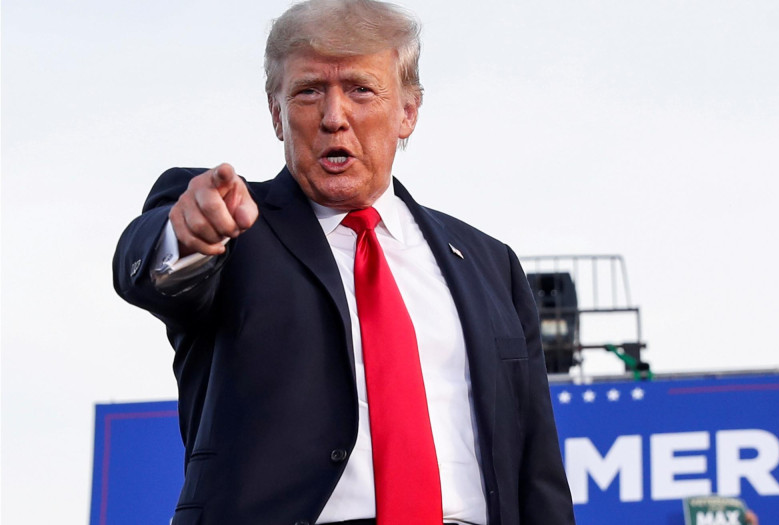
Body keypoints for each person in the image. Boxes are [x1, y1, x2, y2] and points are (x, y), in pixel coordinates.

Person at [112, 1, 575, 524]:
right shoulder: (236, 226)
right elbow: (154, 267)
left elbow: (537, 469)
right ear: (276, 114)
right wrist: (189, 234)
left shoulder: (491, 265)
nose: (335, 117)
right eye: (309, 91)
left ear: (408, 111)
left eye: (360, 88)